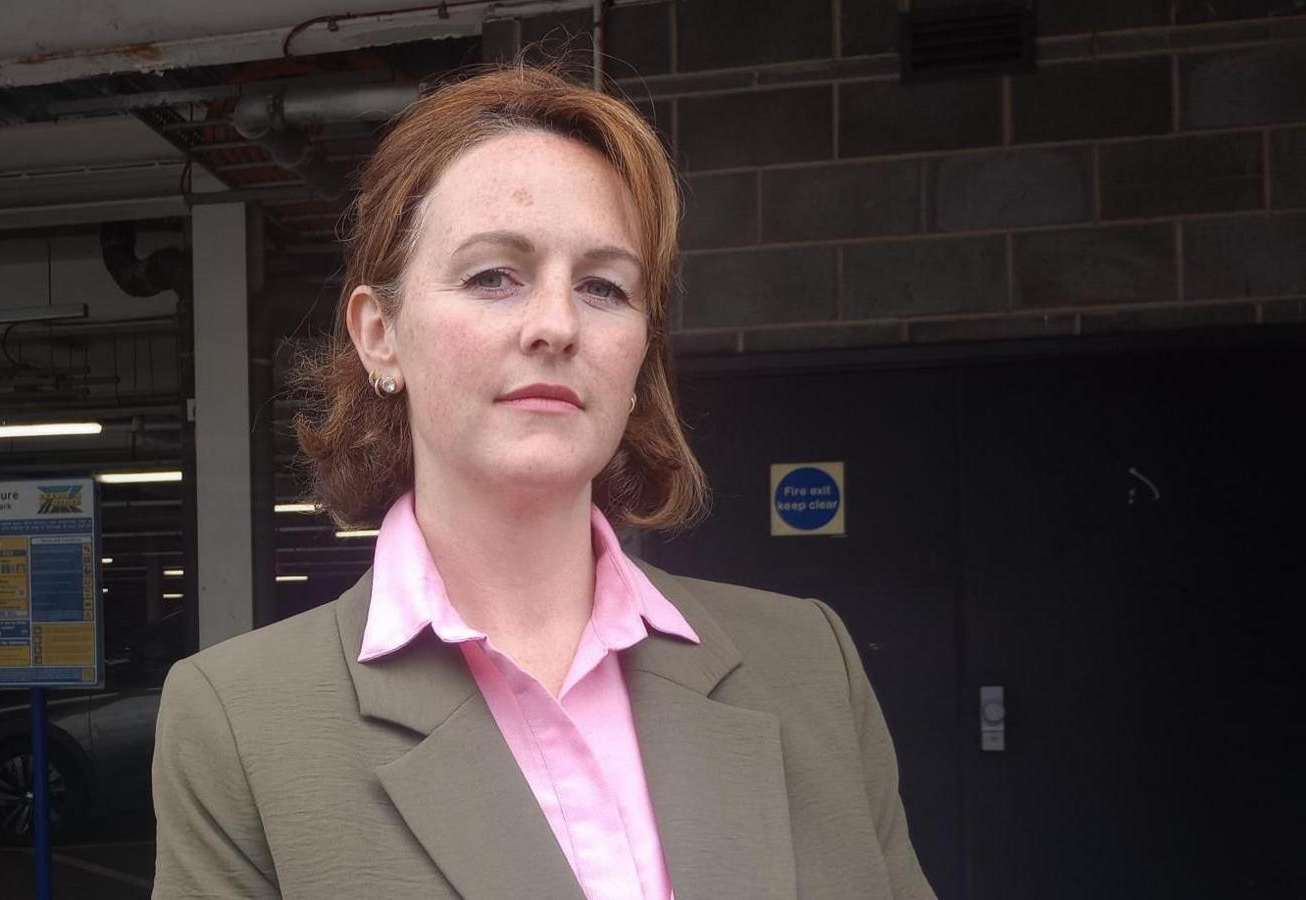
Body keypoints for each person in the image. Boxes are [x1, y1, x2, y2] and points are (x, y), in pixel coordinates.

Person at [151, 60, 936, 900]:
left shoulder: (809, 663)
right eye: (494, 275)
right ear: (380, 335)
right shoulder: (239, 720)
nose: (557, 324)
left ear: (637, 359)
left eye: (604, 287)